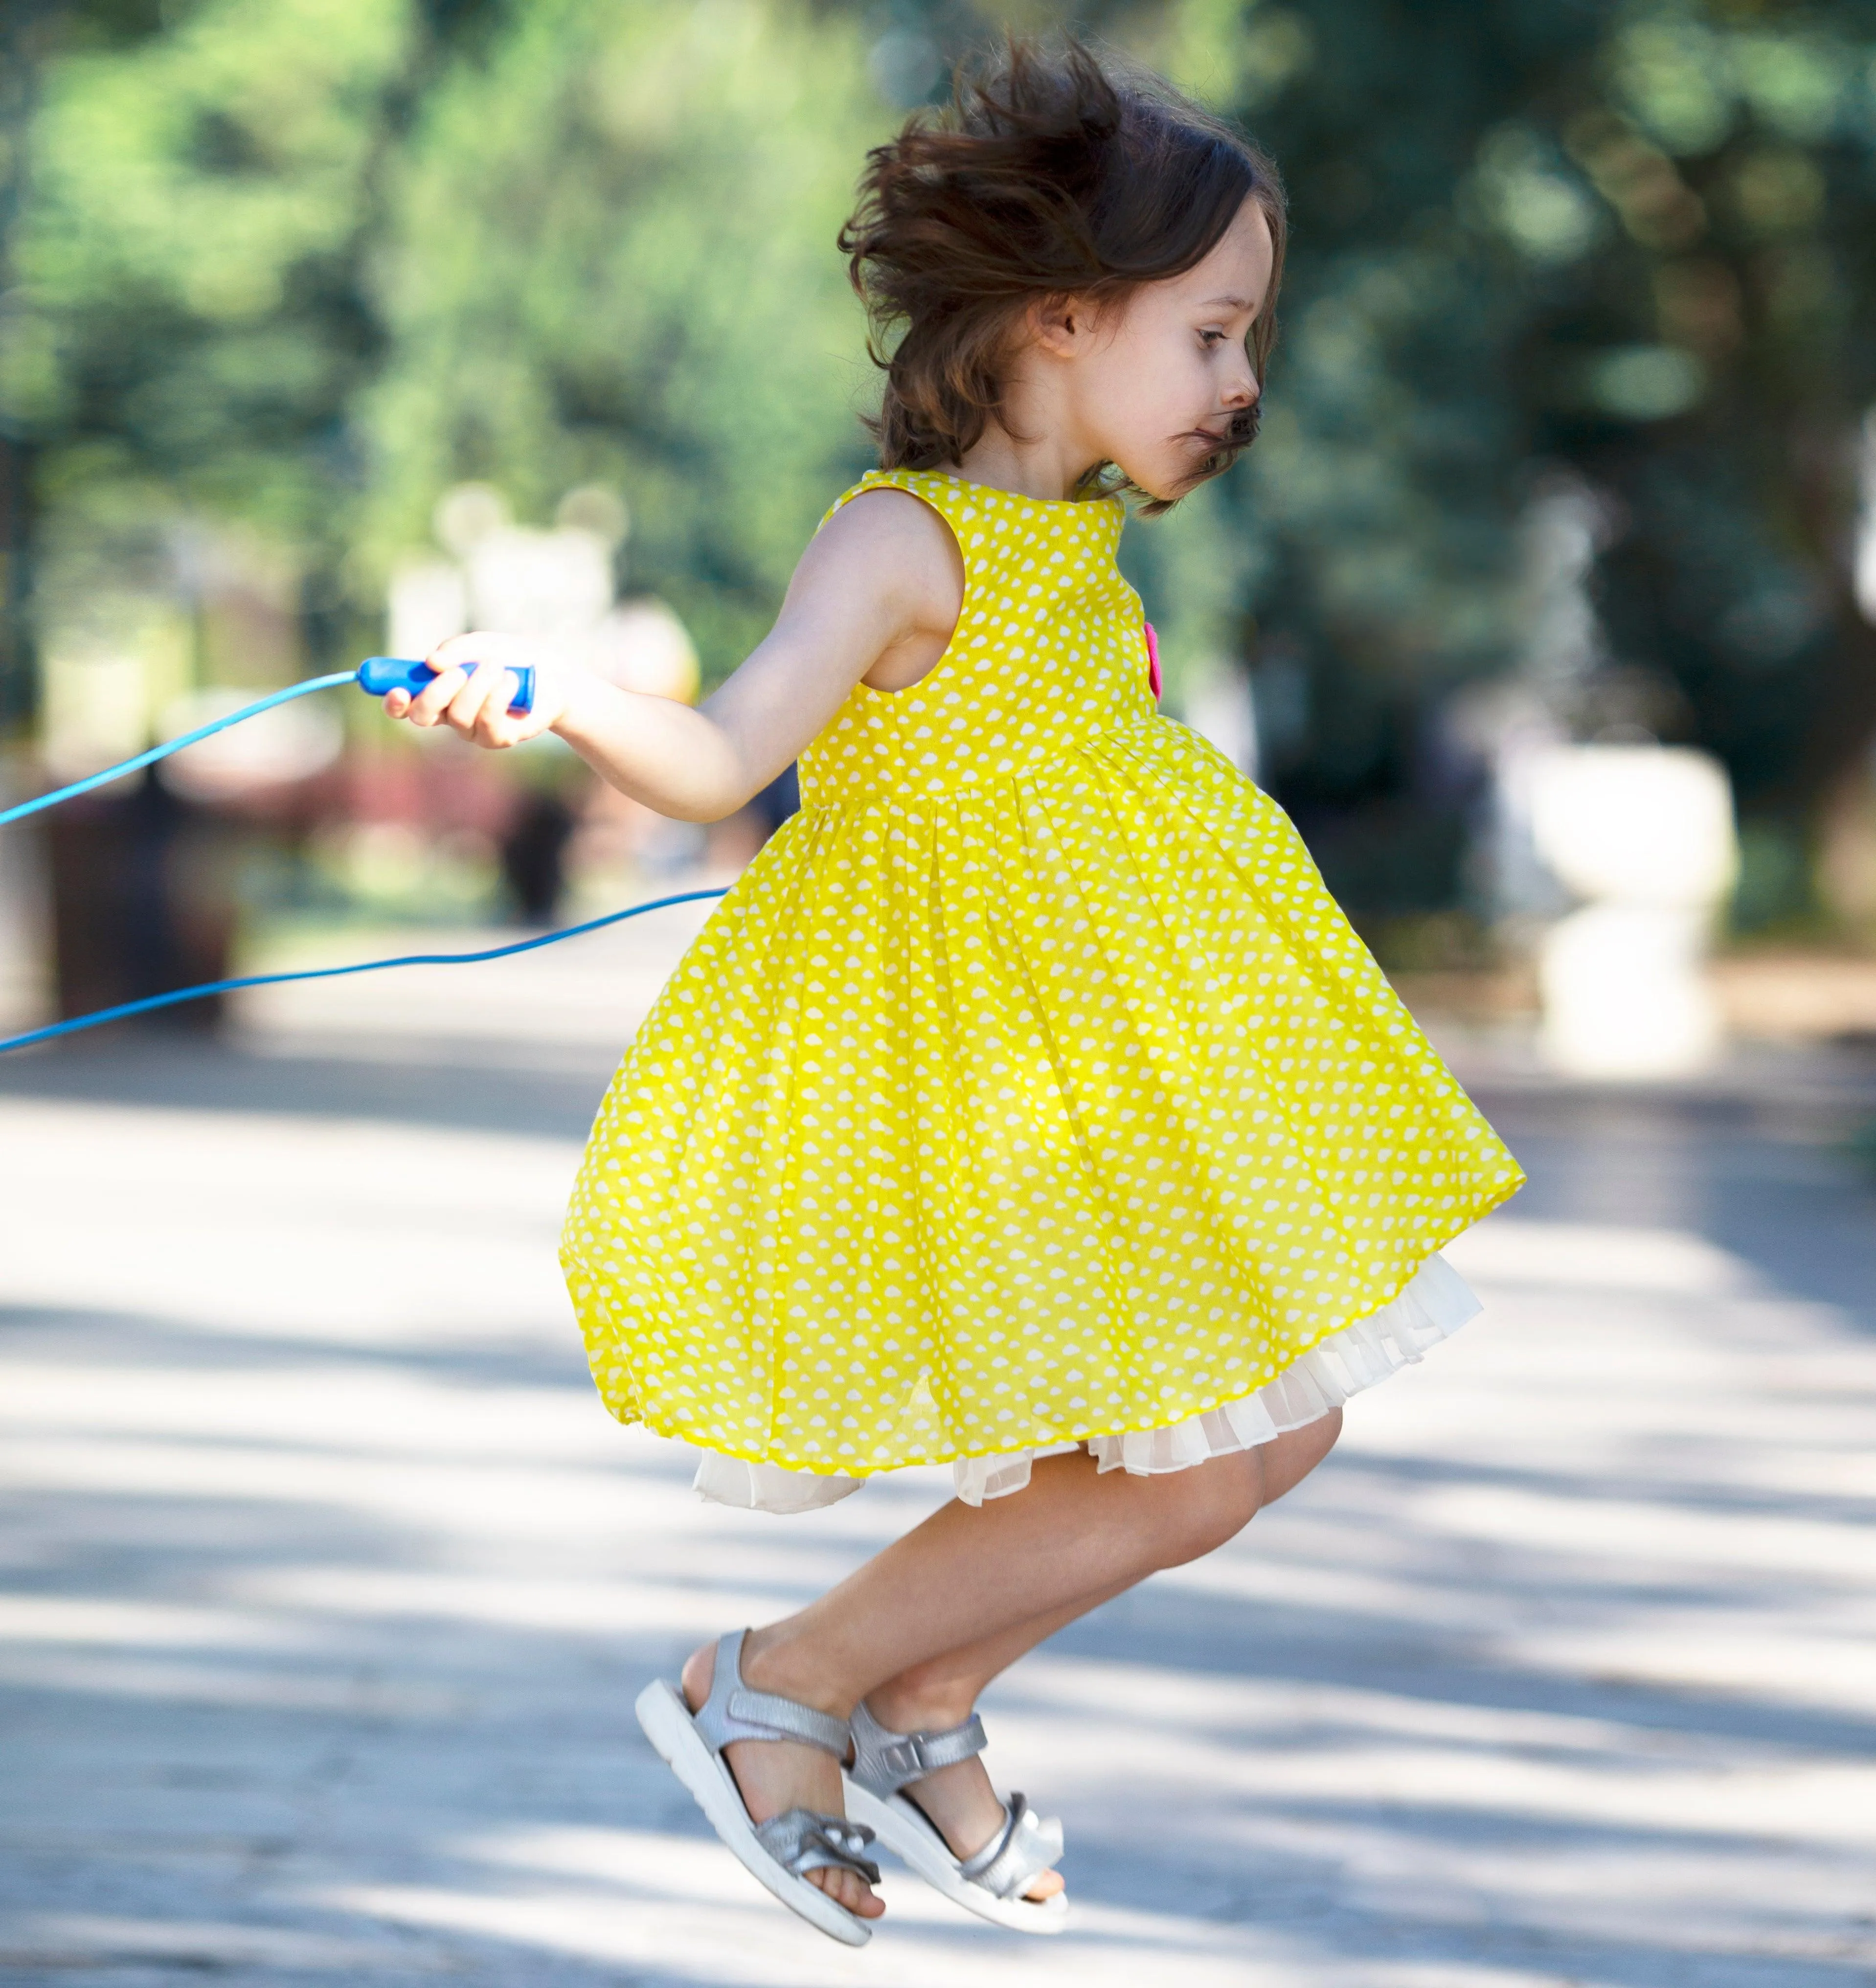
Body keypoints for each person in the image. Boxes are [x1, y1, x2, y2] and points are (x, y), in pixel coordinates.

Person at [381, 37, 1524, 1948]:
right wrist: (551, 688)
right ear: (1063, 320)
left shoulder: (1076, 548)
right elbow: (721, 748)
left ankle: (913, 1699)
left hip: (1107, 1061)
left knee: (1275, 1429)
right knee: (1187, 1457)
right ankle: (770, 1682)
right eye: (1214, 332)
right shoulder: (900, 537)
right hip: (974, 1053)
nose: (1243, 382)